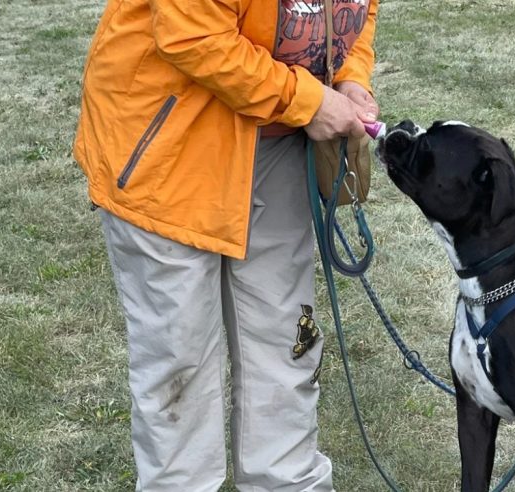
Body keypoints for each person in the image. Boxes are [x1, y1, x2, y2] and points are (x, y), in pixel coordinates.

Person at [71, 0, 379, 490]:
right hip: (169, 152)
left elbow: (354, 12)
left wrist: (349, 76)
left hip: (277, 149)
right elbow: (193, 36)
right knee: (180, 363)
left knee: (286, 347)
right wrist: (310, 102)